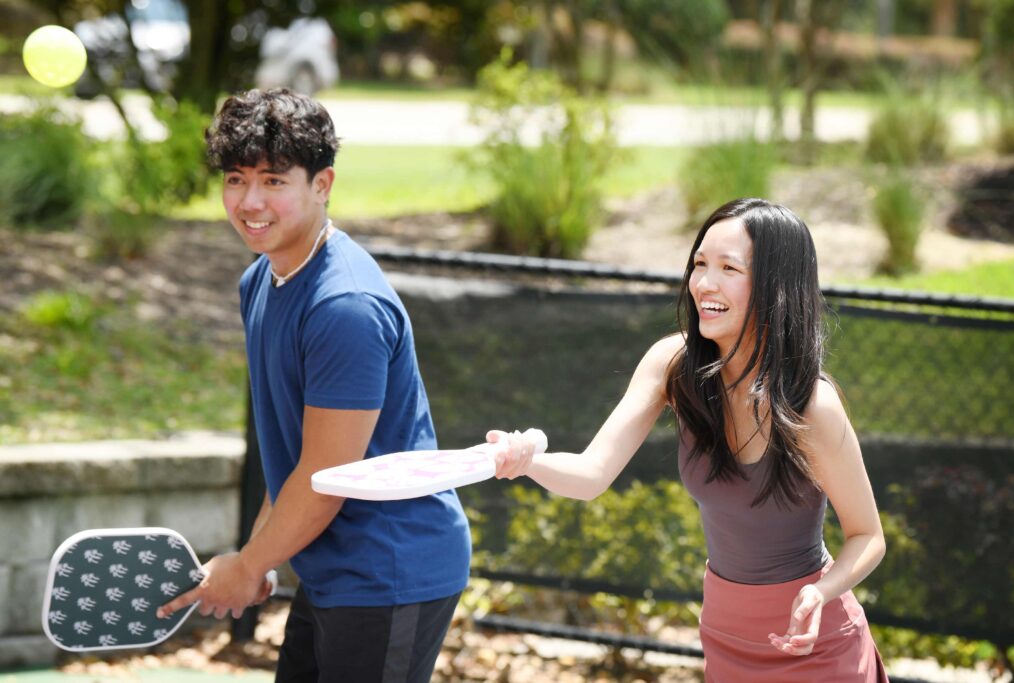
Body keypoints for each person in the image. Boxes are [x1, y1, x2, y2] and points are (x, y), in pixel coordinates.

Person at [490, 198, 889, 682]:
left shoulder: (811, 405)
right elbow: (592, 475)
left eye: (728, 267)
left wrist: (822, 592)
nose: (704, 283)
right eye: (700, 264)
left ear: (774, 285)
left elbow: (868, 536)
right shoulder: (673, 365)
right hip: (725, 635)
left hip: (816, 643)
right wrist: (527, 460)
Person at [157, 88, 471, 682]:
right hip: (335, 567)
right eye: (235, 178)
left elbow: (325, 475)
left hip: (390, 569)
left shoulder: (344, 306)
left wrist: (250, 564)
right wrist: (263, 555)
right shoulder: (260, 281)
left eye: (274, 181)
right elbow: (295, 454)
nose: (250, 201)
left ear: (322, 184)